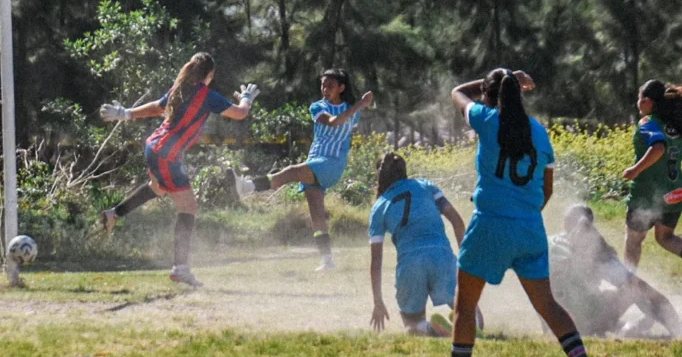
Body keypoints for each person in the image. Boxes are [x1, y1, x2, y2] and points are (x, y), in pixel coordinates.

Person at [431, 68, 602, 357]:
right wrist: (524, 215)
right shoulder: (540, 133)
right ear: (519, 95)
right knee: (547, 304)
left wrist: (487, 80)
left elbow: (455, 93)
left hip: (490, 226)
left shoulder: (486, 119)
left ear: (487, 96)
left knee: (465, 306)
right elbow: (547, 190)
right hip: (529, 229)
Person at [98, 52, 260, 287]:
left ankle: (114, 213)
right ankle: (180, 268)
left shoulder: (180, 88)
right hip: (167, 155)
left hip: (154, 147)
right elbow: (240, 113)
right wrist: (246, 97)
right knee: (189, 207)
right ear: (210, 74)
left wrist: (126, 113)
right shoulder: (206, 95)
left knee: (158, 188)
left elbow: (157, 107)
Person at [230, 69, 373, 271]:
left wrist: (359, 105)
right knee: (317, 214)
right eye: (323, 85)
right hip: (315, 160)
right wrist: (361, 104)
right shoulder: (318, 107)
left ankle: (247, 187)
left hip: (332, 163)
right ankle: (327, 260)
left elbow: (345, 121)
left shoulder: (352, 110)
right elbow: (333, 122)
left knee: (290, 171)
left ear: (341, 87)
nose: (325, 89)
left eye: (330, 85)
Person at [368, 152, 483, 337]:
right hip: (441, 257)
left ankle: (426, 328)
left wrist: (378, 302)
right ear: (405, 171)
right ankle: (471, 323)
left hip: (410, 265)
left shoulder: (379, 207)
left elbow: (376, 261)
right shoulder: (425, 185)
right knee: (469, 310)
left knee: (412, 325)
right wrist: (465, 258)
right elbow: (456, 220)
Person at [549, 204, 682, 338]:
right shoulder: (596, 250)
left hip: (554, 323)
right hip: (582, 325)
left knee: (600, 296)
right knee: (636, 288)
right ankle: (676, 328)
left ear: (565, 224)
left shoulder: (548, 242)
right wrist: (669, 316)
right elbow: (636, 285)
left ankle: (627, 326)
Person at [622, 79, 682, 286]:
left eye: (639, 98)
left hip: (648, 195)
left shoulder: (648, 122)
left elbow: (658, 148)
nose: (638, 102)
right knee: (665, 237)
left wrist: (635, 170)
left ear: (648, 101)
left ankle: (627, 282)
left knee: (634, 238)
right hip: (675, 193)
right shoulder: (673, 126)